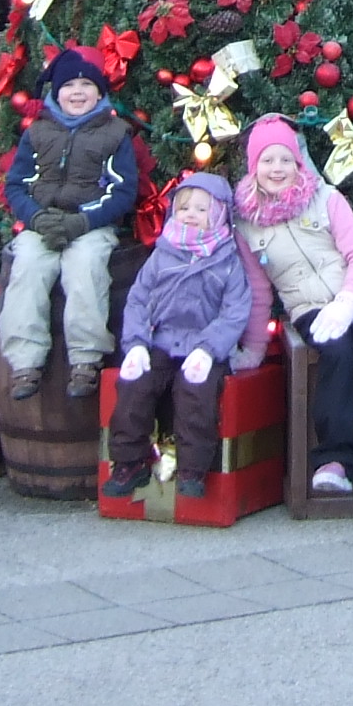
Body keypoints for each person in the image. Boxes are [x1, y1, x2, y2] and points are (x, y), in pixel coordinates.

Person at [230, 114, 353, 515]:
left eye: (285, 160)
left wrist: (350, 300)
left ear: (298, 163)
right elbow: (260, 290)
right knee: (335, 355)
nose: (277, 169)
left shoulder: (325, 197)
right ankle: (336, 459)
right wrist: (252, 347)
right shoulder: (246, 223)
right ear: (254, 167)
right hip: (309, 307)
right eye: (268, 161)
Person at [0, 46, 139, 400]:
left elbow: (123, 192)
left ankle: (85, 358)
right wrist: (36, 217)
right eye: (69, 86)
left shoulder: (115, 133)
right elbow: (16, 184)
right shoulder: (38, 132)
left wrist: (84, 222)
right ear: (56, 93)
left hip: (89, 224)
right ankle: (25, 360)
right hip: (42, 222)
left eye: (86, 85)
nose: (77, 92)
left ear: (100, 92)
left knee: (86, 268)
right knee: (27, 267)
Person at [103, 173, 254, 501]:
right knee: (134, 386)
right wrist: (137, 344)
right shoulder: (162, 253)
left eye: (201, 209)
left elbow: (234, 311)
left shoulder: (227, 261)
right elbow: (139, 300)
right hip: (161, 341)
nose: (190, 214)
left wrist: (210, 348)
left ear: (218, 215)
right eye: (184, 207)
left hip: (202, 346)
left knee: (195, 393)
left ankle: (193, 467)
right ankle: (129, 460)